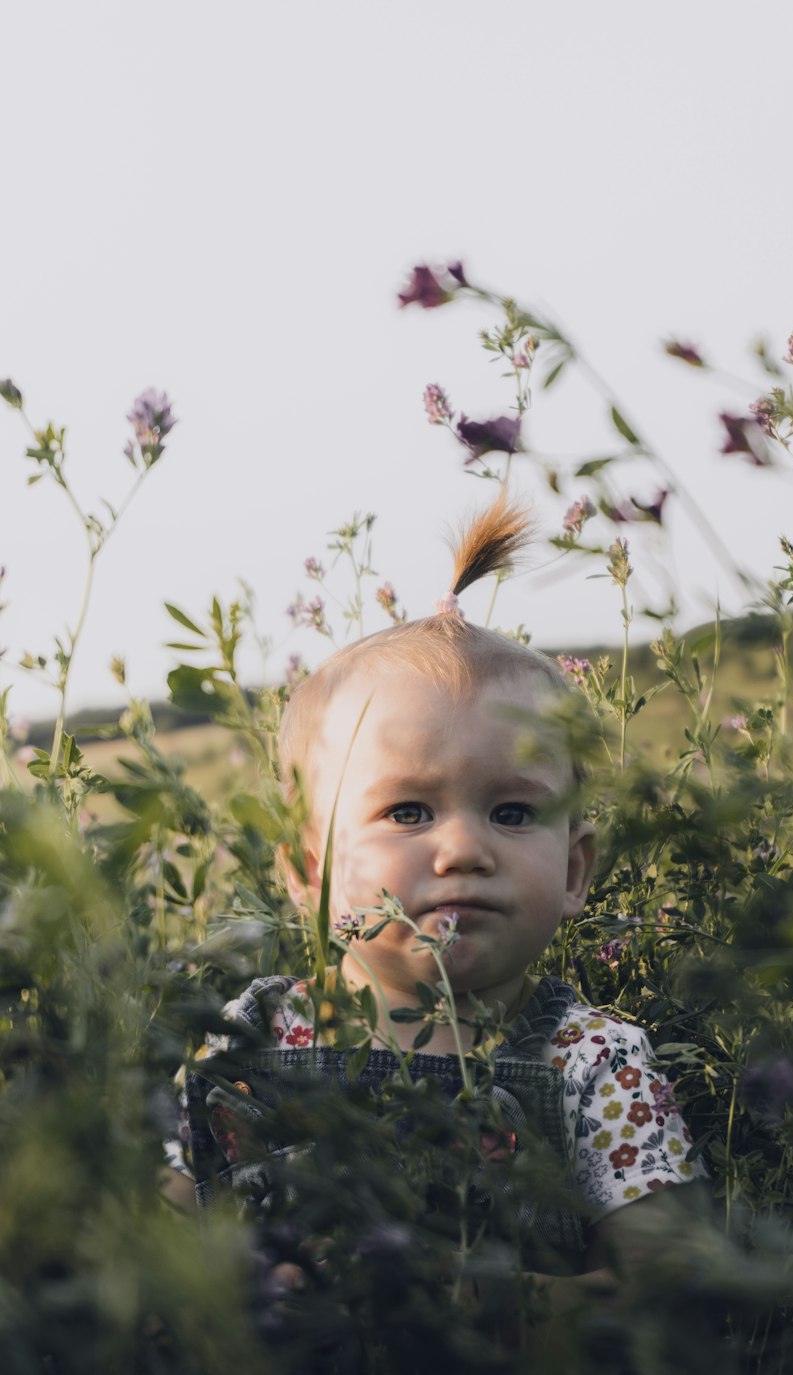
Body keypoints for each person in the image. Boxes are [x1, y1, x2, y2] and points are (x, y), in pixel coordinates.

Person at [162, 495, 705, 1243]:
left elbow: (667, 1282)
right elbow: (165, 1234)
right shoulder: (255, 1038)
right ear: (308, 871)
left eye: (512, 813)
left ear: (576, 870)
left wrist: (504, 1315)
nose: (462, 851)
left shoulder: (593, 1064)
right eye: (408, 812)